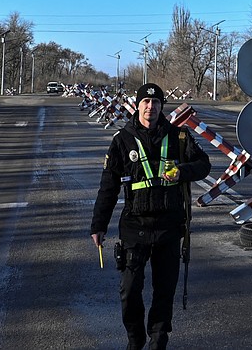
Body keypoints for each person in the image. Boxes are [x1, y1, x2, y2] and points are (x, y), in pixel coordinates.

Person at [90, 82, 211, 350]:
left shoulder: (179, 137)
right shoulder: (122, 140)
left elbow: (204, 164)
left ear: (161, 107)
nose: (150, 107)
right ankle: (135, 340)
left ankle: (158, 341)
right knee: (129, 291)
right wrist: (98, 226)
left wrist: (183, 172)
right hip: (135, 228)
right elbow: (108, 187)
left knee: (164, 293)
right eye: (146, 102)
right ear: (138, 105)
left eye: (156, 103)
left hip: (169, 227)